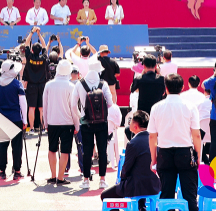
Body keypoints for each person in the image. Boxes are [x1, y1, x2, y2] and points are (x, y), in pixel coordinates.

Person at [148, 74, 201, 211]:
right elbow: (196, 135)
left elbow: (152, 137)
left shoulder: (156, 107)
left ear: (165, 88)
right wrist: (198, 156)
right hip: (185, 152)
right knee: (190, 195)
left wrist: (154, 159)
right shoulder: (190, 106)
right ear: (182, 87)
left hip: (164, 153)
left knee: (166, 195)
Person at [71, 59, 114, 190]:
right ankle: (102, 180)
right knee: (102, 151)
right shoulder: (103, 84)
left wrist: (80, 116)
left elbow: (73, 104)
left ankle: (86, 180)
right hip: (102, 122)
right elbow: (110, 103)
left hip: (86, 122)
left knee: (87, 151)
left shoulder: (80, 83)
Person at [100, 110, 160, 204]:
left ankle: (139, 206)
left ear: (135, 127)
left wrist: (122, 180)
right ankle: (141, 206)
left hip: (137, 187)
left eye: (131, 121)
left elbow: (126, 168)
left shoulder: (133, 143)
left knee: (105, 196)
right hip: (155, 185)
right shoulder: (156, 140)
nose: (129, 124)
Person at [42, 60, 78, 185]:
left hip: (52, 121)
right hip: (67, 122)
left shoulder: (49, 85)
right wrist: (77, 124)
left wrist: (45, 122)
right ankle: (61, 177)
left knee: (52, 149)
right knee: (65, 150)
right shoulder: (71, 86)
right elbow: (73, 108)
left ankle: (52, 176)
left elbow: (45, 105)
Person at [0, 60, 27, 180]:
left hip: (2, 120)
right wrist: (25, 120)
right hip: (16, 119)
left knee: (2, 145)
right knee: (17, 146)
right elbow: (23, 103)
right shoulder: (17, 84)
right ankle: (17, 170)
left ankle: (2, 171)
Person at [23, 28, 48, 132]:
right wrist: (39, 34)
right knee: (41, 108)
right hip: (42, 85)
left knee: (31, 108)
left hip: (31, 86)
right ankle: (43, 127)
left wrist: (32, 32)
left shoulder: (29, 57)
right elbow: (45, 45)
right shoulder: (44, 58)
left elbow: (26, 43)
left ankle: (32, 128)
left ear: (32, 50)